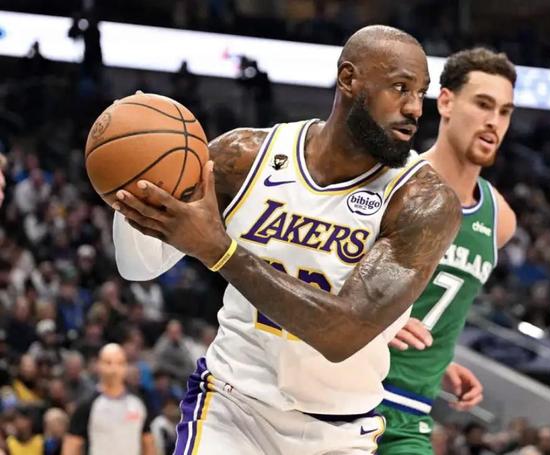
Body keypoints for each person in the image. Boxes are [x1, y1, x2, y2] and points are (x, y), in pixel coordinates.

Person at [112, 25, 462, 454]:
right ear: (349, 79)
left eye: (421, 93)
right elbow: (139, 265)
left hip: (338, 430)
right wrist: (133, 185)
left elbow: (343, 333)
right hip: (233, 406)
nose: (415, 109)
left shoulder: (422, 201)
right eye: (400, 88)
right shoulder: (246, 157)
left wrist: (219, 251)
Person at [378, 47, 518, 454]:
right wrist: (375, 323)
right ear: (445, 102)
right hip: (346, 394)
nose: (494, 121)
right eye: (483, 104)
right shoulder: (392, 181)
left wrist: (440, 363)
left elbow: (434, 304)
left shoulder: (500, 219)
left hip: (411, 414)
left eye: (505, 112)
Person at [62, 343, 155, 455]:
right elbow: (71, 446)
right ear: (99, 365)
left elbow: (148, 443)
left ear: (125, 366)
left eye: (120, 363)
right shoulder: (87, 406)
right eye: (108, 363)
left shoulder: (138, 404)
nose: (114, 369)